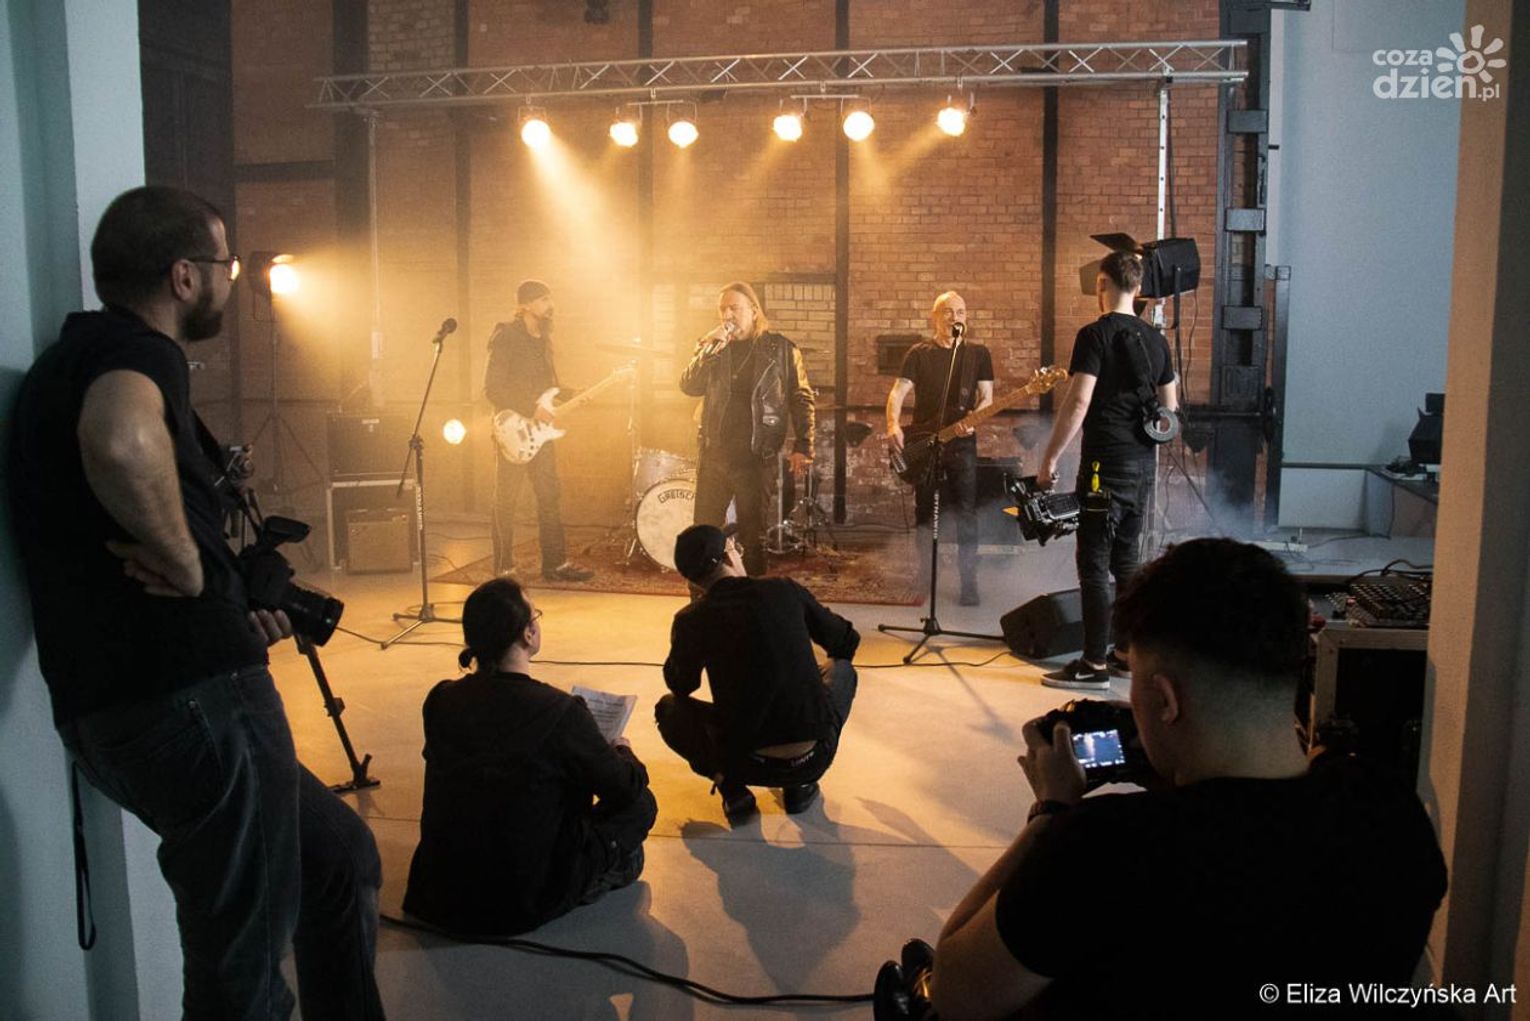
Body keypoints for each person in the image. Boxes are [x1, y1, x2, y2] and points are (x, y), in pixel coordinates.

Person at [7, 186, 383, 1019]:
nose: (231, 279)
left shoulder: (70, 359)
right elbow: (118, 438)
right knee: (241, 973)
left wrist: (222, 591)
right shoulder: (139, 352)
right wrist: (186, 564)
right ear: (183, 277)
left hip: (125, 705)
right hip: (193, 700)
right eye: (224, 264)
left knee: (338, 857)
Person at [926, 539, 1448, 1020]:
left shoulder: (1104, 846)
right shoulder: (1388, 812)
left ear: (1166, 699)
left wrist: (1050, 813)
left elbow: (954, 992)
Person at [403, 578, 656, 936]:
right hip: (518, 902)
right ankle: (592, 878)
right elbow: (625, 789)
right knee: (642, 805)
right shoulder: (561, 712)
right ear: (528, 633)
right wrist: (622, 750)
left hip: (437, 896)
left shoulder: (441, 698)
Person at [1036, 252, 1178, 687]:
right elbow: (1170, 410)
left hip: (1104, 465)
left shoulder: (1094, 334)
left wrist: (1050, 458)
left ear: (1102, 283)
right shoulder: (1157, 341)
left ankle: (1093, 664)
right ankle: (1124, 654)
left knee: (1094, 563)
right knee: (1127, 560)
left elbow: (1079, 400)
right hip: (1142, 467)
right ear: (1138, 288)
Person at [655, 523, 859, 823]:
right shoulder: (783, 589)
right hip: (815, 755)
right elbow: (846, 641)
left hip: (744, 761)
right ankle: (800, 785)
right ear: (729, 556)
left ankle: (730, 786)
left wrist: (688, 642)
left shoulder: (691, 619)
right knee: (842, 669)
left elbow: (681, 685)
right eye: (735, 549)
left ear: (693, 580)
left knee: (669, 710)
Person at [680, 281, 815, 577]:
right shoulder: (714, 348)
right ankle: (703, 599)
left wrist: (804, 444)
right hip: (715, 456)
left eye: (735, 308)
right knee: (703, 535)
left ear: (754, 311)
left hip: (755, 458)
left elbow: (801, 397)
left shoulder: (781, 349)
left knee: (754, 539)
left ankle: (752, 599)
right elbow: (689, 386)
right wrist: (707, 351)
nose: (727, 315)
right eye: (722, 309)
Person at [884, 291, 994, 606]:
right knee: (923, 511)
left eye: (960, 312)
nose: (954, 317)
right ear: (935, 317)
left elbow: (987, 398)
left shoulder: (978, 354)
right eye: (948, 311)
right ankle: (925, 574)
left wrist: (974, 419)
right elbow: (898, 392)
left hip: (962, 443)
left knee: (966, 513)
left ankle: (968, 582)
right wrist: (892, 425)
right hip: (926, 442)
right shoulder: (919, 353)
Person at [484, 278, 594, 582]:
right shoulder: (506, 336)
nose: (550, 305)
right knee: (506, 499)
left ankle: (555, 564)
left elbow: (548, 385)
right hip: (512, 431)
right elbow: (492, 388)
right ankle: (504, 567)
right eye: (544, 299)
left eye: (550, 299)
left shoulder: (543, 340)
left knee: (549, 495)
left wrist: (572, 394)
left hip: (540, 433)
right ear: (525, 305)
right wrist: (531, 407)